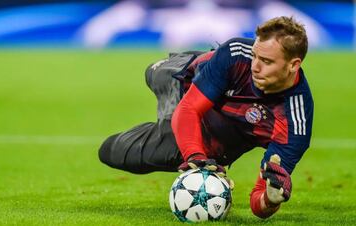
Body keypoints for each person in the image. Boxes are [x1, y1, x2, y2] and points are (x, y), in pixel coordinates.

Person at [98, 16, 313, 219]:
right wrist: (194, 157)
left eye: (266, 61)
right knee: (154, 73)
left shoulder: (294, 123)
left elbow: (258, 203)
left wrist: (271, 200)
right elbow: (188, 109)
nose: (254, 66)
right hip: (186, 83)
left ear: (293, 65)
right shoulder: (237, 54)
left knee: (111, 152)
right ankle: (171, 119)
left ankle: (161, 132)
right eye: (255, 55)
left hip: (212, 140)